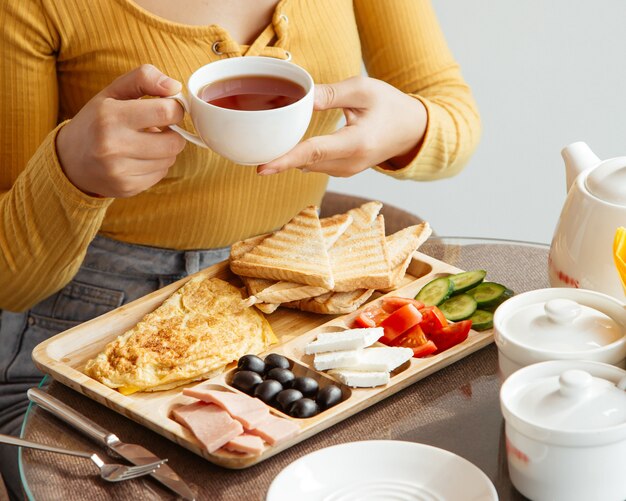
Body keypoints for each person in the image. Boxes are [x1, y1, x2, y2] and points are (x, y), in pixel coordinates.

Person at [0, 0, 480, 497]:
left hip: (291, 298)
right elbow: (11, 285)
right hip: (83, 321)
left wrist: (411, 125)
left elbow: (455, 117)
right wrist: (70, 171)